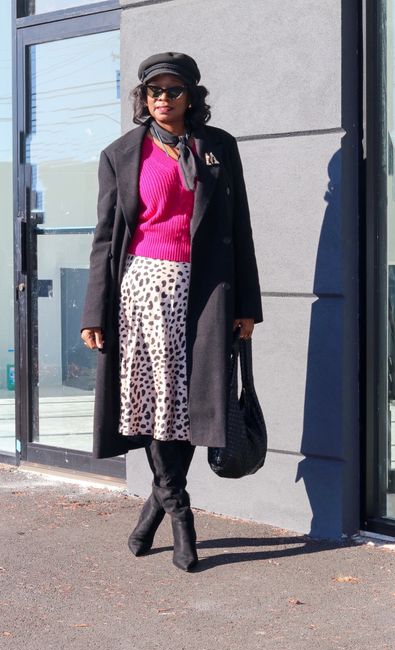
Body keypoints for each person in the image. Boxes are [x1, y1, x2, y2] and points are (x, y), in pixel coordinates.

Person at [81, 52, 263, 572]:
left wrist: (247, 305)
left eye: (173, 90)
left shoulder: (218, 148)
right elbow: (104, 241)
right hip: (141, 291)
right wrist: (94, 311)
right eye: (154, 91)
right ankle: (180, 515)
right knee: (156, 405)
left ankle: (155, 510)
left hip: (204, 292)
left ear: (191, 96)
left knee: (187, 405)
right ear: (144, 98)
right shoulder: (120, 154)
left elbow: (241, 229)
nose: (163, 98)